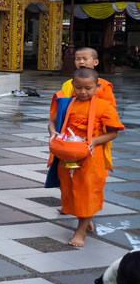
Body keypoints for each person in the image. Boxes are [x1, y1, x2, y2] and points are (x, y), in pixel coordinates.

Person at [48, 68, 123, 247]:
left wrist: (95, 140)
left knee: (88, 192)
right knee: (71, 191)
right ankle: (84, 217)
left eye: (88, 88)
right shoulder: (67, 104)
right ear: (72, 86)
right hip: (69, 155)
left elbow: (113, 133)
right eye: (78, 87)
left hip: (91, 156)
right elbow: (52, 122)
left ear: (97, 87)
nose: (83, 92)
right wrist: (53, 133)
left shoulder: (104, 107)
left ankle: (80, 232)